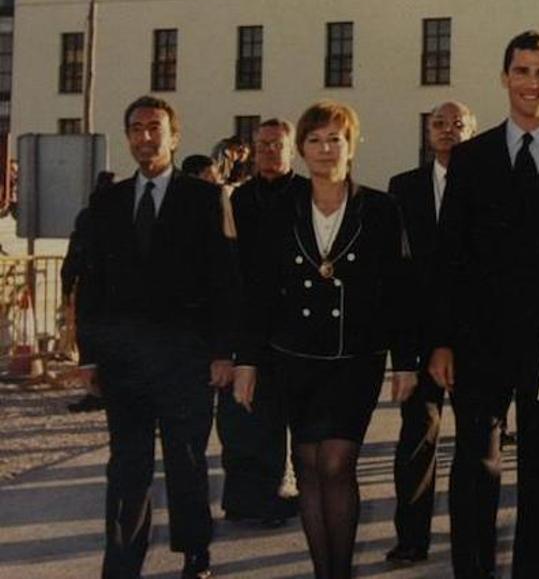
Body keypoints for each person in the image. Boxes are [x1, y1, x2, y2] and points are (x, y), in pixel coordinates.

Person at [427, 30, 539, 578]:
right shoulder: (469, 158)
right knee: (474, 469)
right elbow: (447, 257)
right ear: (504, 77)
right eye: (522, 71)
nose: (532, 83)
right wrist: (439, 340)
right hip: (478, 343)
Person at [233, 101, 418, 579]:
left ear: (352, 146)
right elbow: (258, 292)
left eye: (334, 139)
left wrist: (406, 361)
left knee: (336, 462)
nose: (324, 149)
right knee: (307, 463)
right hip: (294, 356)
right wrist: (247, 361)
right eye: (314, 140)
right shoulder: (281, 211)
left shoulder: (380, 209)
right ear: (301, 150)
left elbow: (400, 290)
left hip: (355, 358)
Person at [76, 96, 239, 579]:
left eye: (155, 128)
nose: (145, 137)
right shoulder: (106, 202)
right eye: (136, 129)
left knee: (186, 462)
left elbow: (225, 281)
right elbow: (92, 286)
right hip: (124, 363)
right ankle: (122, 562)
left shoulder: (205, 199)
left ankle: (195, 554)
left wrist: (223, 353)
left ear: (174, 136)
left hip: (185, 360)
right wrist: (89, 356)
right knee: (127, 466)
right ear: (127, 137)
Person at [385, 101, 476, 565]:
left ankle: (469, 542)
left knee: (477, 443)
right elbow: (397, 273)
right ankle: (411, 539)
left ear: (472, 130)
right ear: (427, 132)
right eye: (438, 124)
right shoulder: (403, 188)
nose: (448, 132)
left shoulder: (488, 182)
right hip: (419, 335)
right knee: (417, 438)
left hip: (474, 335)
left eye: (458, 124)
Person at [216, 119, 304, 528]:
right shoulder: (237, 198)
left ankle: (278, 493)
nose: (270, 151)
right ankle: (242, 499)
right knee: (244, 415)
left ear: (291, 149)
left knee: (284, 416)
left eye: (277, 145)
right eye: (263, 145)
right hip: (248, 316)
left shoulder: (307, 194)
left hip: (294, 320)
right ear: (253, 150)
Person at [64, 170, 115, 414]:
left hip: (90, 291)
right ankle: (105, 391)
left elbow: (74, 253)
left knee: (90, 343)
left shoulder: (87, 216)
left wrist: (67, 284)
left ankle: (96, 392)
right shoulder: (122, 214)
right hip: (114, 292)